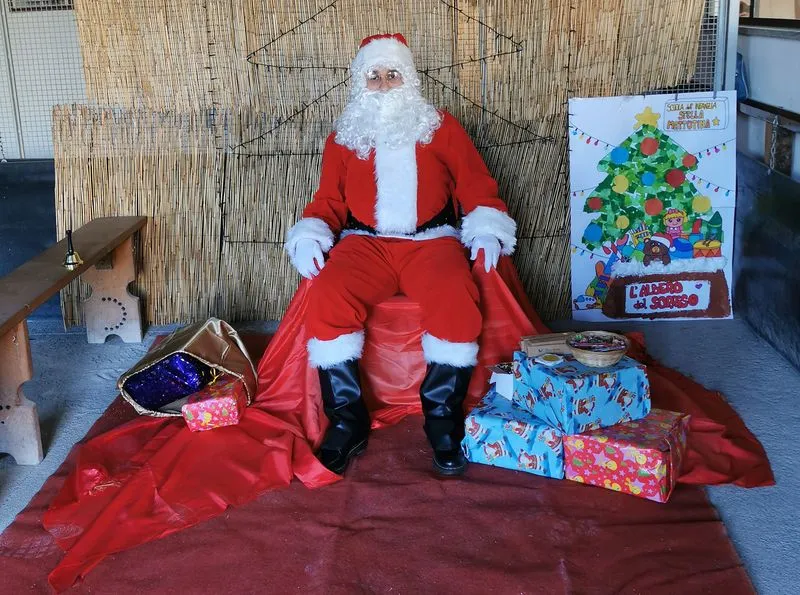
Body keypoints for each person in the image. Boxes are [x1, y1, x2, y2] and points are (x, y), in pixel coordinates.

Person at [285, 33, 517, 477]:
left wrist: (486, 227)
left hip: (431, 242)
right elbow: (328, 200)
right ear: (360, 82)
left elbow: (474, 182)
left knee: (454, 295)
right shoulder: (344, 136)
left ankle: (443, 420)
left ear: (409, 78)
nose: (384, 83)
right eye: (373, 75)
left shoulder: (440, 126)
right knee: (330, 294)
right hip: (364, 244)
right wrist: (311, 235)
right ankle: (347, 422)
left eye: (393, 73)